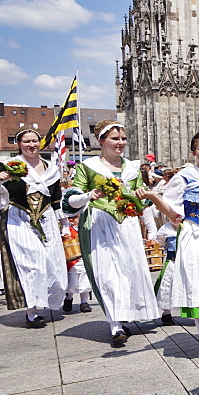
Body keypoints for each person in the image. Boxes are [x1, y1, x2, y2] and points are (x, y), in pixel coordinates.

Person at [137, 132, 199, 362]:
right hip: (194, 235)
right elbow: (172, 212)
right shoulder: (184, 177)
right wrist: (154, 197)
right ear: (193, 152)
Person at [62, 120, 159, 347]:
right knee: (107, 274)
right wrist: (89, 196)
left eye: (123, 138)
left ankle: (124, 315)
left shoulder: (132, 167)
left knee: (128, 271)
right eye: (115, 139)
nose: (120, 143)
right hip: (99, 224)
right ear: (102, 140)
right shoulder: (89, 166)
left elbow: (137, 198)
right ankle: (115, 325)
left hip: (126, 225)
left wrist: (140, 195)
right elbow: (72, 197)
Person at [0, 129, 68, 327]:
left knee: (53, 262)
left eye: (35, 141)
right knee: (32, 263)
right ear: (19, 144)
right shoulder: (9, 166)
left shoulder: (51, 168)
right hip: (19, 219)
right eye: (27, 142)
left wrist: (64, 224)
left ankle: (48, 299)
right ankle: (32, 311)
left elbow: (56, 199)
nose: (32, 145)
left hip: (46, 219)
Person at [63, 215, 92, 313]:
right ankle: (68, 298)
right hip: (73, 262)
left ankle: (84, 302)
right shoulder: (68, 231)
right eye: (79, 219)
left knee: (85, 282)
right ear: (71, 220)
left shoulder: (86, 230)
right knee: (72, 283)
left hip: (84, 260)